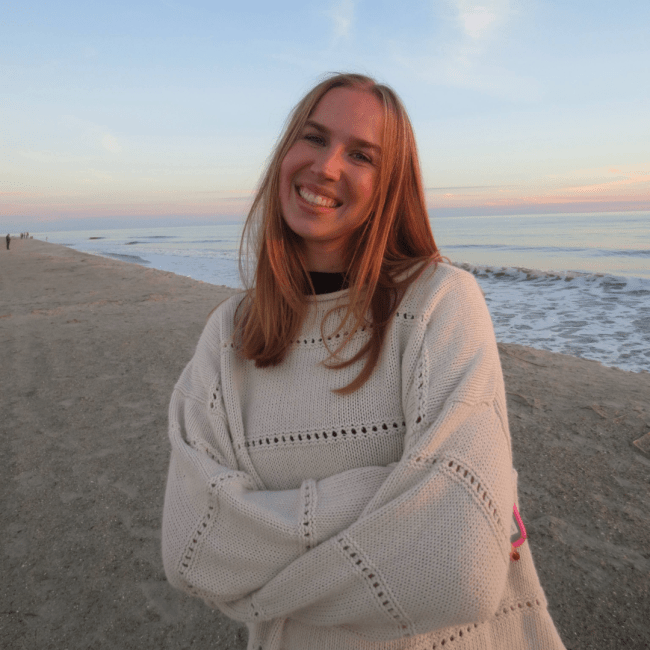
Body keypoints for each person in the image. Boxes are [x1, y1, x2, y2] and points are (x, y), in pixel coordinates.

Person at [162, 72, 567, 650]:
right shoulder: (231, 333)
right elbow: (191, 548)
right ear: (285, 153)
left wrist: (257, 533)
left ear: (391, 185)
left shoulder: (439, 303)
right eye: (313, 137)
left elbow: (461, 563)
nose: (326, 167)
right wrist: (400, 499)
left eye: (361, 155)